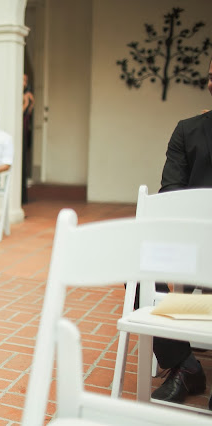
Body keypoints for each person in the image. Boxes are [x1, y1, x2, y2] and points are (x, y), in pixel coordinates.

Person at [149, 58, 212, 410]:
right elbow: (171, 193)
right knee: (137, 264)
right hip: (197, 239)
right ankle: (184, 364)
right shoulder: (188, 130)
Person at [22, 74, 35, 204]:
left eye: (25, 80)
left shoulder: (27, 95)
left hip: (24, 126)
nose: (23, 82)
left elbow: (27, 111)